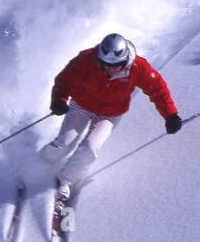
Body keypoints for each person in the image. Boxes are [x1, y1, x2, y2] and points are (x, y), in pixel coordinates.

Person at [40, 33, 181, 197]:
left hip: (109, 114)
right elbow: (65, 80)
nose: (111, 69)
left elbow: (157, 88)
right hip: (81, 106)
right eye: (106, 64)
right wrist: (59, 99)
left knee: (90, 149)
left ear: (125, 58)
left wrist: (170, 115)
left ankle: (63, 181)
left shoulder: (138, 67)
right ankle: (39, 164)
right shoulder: (86, 59)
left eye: (117, 65)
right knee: (63, 145)